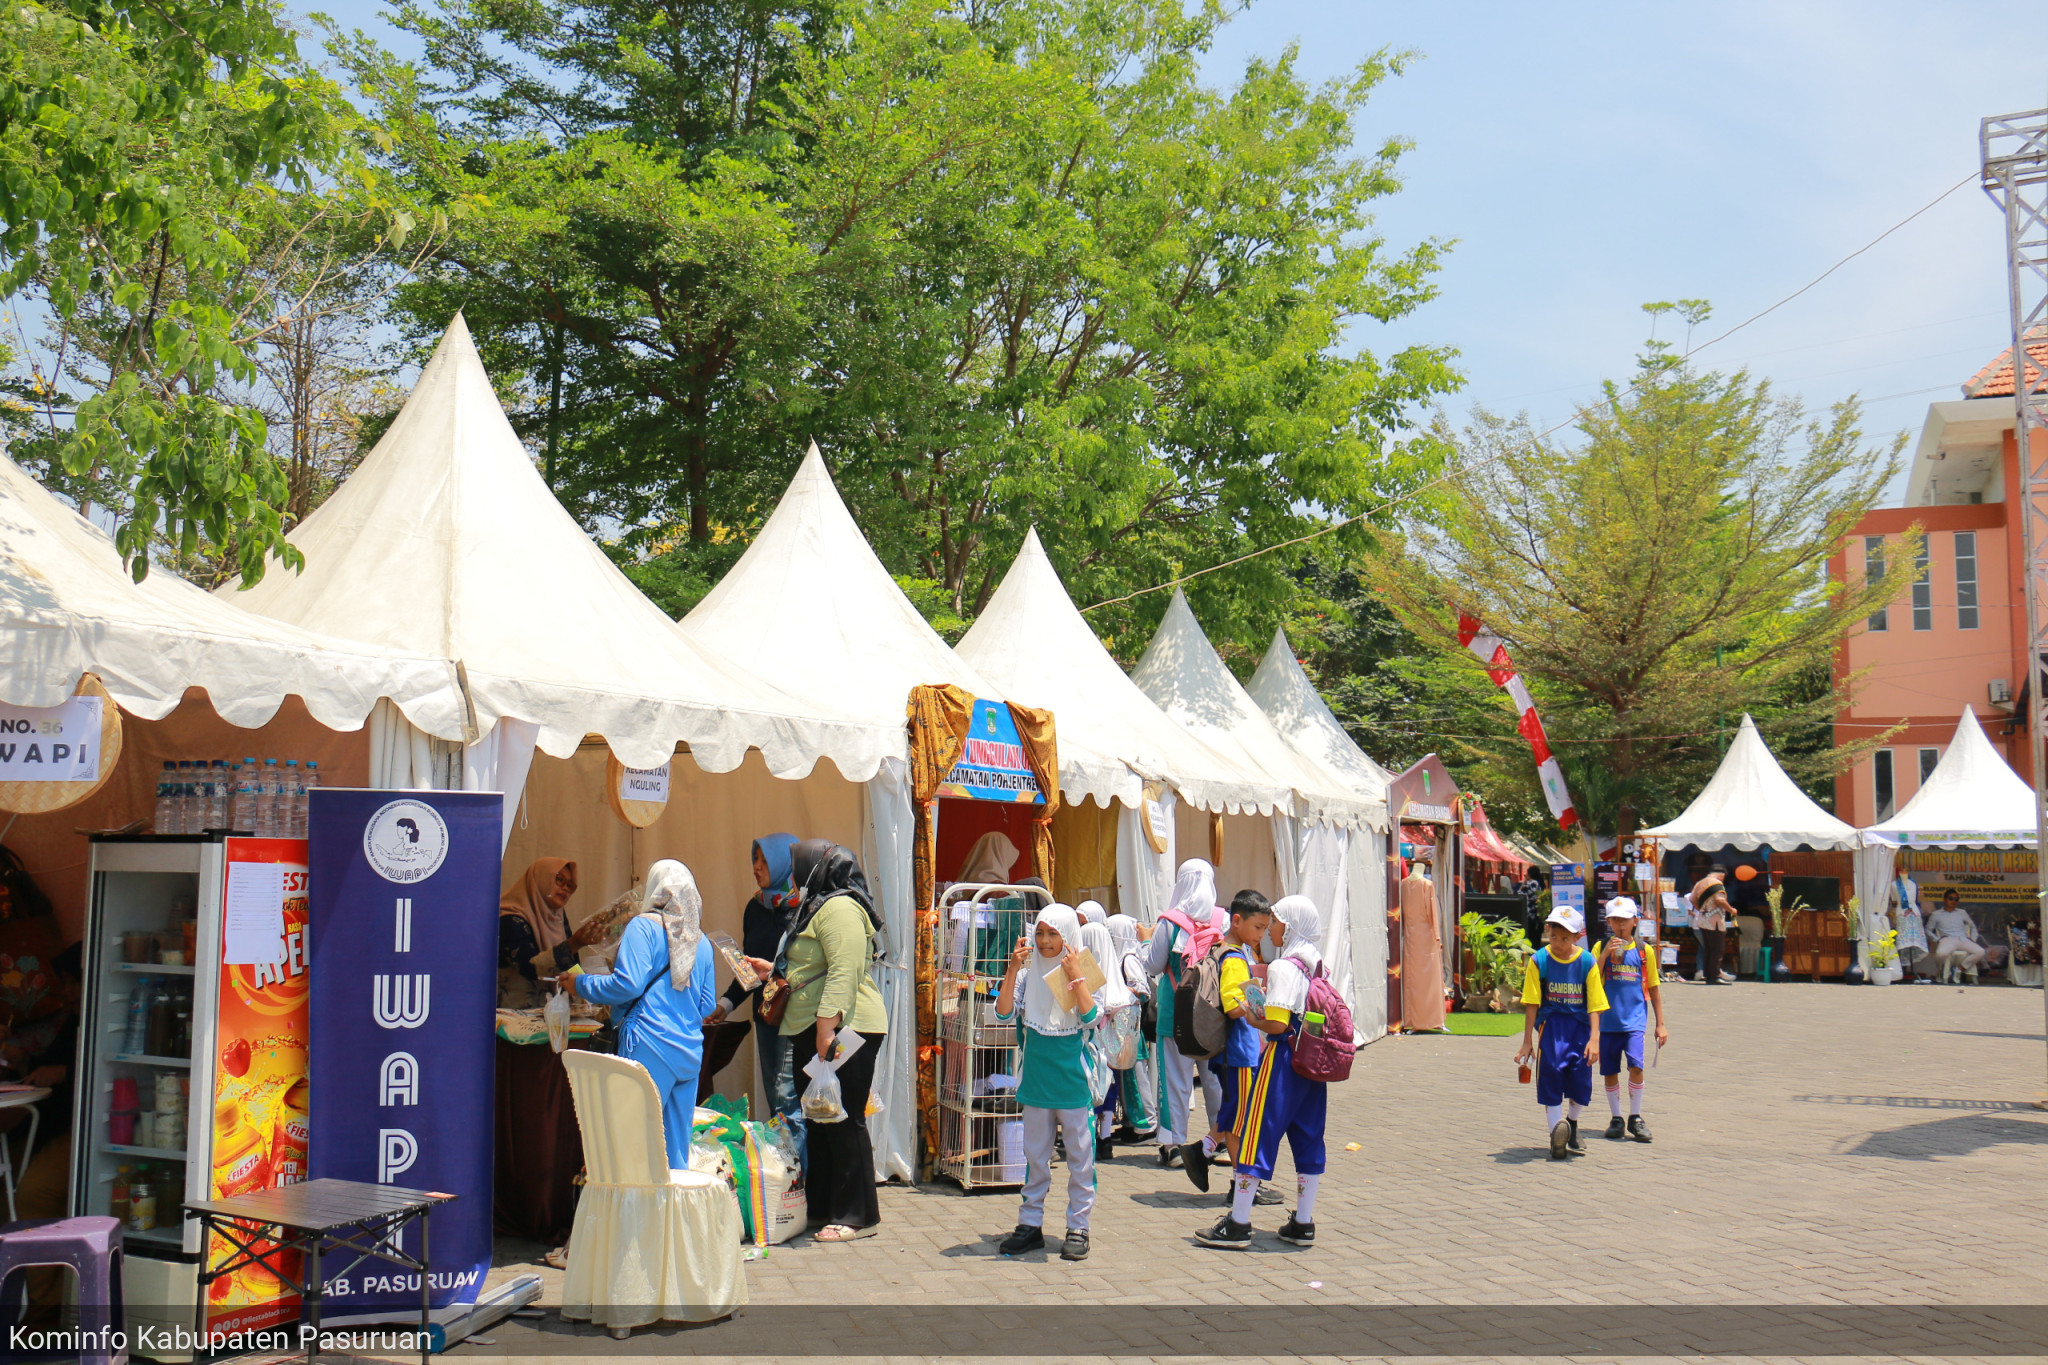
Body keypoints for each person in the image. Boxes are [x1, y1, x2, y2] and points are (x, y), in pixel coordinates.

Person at [563, 860, 717, 1167]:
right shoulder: (700, 941)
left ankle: (636, 1215)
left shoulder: (643, 927)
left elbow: (628, 984)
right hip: (689, 1052)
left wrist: (581, 984)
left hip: (647, 1045)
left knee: (635, 1143)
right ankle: (670, 1214)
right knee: (675, 1153)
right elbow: (707, 1005)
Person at [1197, 895, 1327, 1250]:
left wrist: (1255, 1013)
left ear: (1293, 925)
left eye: (1278, 921)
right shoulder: (1316, 964)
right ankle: (1303, 1221)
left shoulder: (1285, 966)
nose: (1273, 928)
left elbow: (1276, 1022)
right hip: (1311, 1061)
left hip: (1282, 1059)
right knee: (1309, 1137)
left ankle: (1238, 1223)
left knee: (1256, 1136)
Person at [779, 840, 889, 1242]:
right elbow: (815, 965)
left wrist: (827, 1030)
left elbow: (844, 971)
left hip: (847, 1026)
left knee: (844, 1121)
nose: (791, 876)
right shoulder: (818, 906)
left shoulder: (840, 907)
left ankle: (857, 1216)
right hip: (821, 1026)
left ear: (816, 869)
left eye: (797, 867)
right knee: (821, 1118)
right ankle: (824, 1207)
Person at [994, 905, 1099, 1261]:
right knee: (1035, 1157)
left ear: (1068, 935)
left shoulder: (1082, 968)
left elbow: (1090, 1018)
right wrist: (1012, 969)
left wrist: (1075, 976)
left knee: (1080, 1159)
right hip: (1036, 1082)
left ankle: (1078, 1227)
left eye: (1053, 934)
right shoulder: (1026, 976)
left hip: (1072, 1083)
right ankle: (1030, 1224)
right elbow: (1004, 1012)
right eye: (1040, 933)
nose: (1044, 941)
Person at [706, 833, 807, 1170]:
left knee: (787, 1096)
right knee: (777, 1096)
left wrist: (775, 970)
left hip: (796, 1015)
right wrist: (724, 1005)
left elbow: (810, 967)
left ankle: (801, 1180)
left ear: (783, 863)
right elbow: (750, 970)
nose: (756, 868)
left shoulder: (803, 909)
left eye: (764, 861)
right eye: (754, 860)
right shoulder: (755, 907)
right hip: (767, 1015)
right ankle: (788, 1178)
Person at [1178, 890, 1271, 1193]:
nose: (1261, 934)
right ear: (1237, 920)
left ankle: (1203, 1151)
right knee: (1239, 1120)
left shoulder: (1225, 948)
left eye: (1265, 929)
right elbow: (1232, 1007)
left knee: (1233, 1111)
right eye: (1257, 927)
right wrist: (1259, 1005)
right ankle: (1241, 1184)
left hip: (1230, 1051)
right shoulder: (1233, 957)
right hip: (1239, 1052)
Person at [1145, 860, 1222, 1168]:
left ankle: (1173, 1143)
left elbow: (1152, 965)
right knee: (1215, 1078)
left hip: (1174, 1010)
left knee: (1176, 1079)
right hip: (1214, 1013)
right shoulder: (1223, 919)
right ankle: (1222, 1139)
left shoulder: (1170, 921)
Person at [1515, 907, 1608, 1161]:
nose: (1557, 943)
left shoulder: (1587, 961)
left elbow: (1595, 1003)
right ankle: (1556, 1134)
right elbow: (1532, 1002)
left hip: (1581, 1028)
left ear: (1577, 937)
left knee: (1580, 1084)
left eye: (1565, 938)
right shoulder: (1539, 961)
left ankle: (1572, 1123)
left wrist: (1595, 1038)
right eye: (1554, 936)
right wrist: (1527, 1043)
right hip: (1552, 1027)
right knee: (1551, 1074)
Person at [1595, 898, 1665, 1143]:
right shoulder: (1601, 946)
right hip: (1607, 1021)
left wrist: (1660, 1023)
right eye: (1615, 920)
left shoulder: (1644, 951)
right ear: (1609, 922)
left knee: (1636, 1066)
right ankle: (1616, 1117)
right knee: (1610, 1070)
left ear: (1635, 921)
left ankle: (1635, 1116)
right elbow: (1592, 977)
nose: (1620, 925)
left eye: (1625, 919)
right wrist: (1605, 954)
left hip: (1635, 1020)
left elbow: (1654, 988)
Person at [499, 858, 603, 1007]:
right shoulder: (510, 918)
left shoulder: (557, 918)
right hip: (514, 1020)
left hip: (553, 1015)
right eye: (559, 880)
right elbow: (530, 968)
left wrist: (587, 991)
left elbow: (570, 965)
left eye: (570, 885)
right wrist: (575, 943)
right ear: (540, 879)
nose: (565, 888)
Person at [1077, 919, 1133, 1161]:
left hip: (1089, 1045)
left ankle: (1087, 1138)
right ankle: (1106, 1138)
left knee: (1089, 1087)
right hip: (1112, 1048)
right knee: (1109, 1088)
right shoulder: (1114, 971)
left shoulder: (1083, 973)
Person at [1103, 912, 1156, 1143]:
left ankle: (1146, 1125)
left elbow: (1142, 990)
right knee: (1125, 1080)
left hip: (1129, 1030)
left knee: (1135, 1079)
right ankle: (1130, 1123)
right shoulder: (1118, 958)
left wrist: (1116, 994)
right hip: (1120, 1029)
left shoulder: (1129, 959)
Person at [1925, 890, 1987, 982]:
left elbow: (1973, 927)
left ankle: (1959, 969)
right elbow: (1928, 929)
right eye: (1951, 899)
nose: (1953, 901)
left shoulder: (1962, 912)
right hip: (1947, 939)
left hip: (1963, 939)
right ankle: (1942, 971)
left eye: (1956, 899)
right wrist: (1937, 939)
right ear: (1945, 900)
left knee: (1980, 951)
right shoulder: (1936, 914)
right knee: (1941, 954)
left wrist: (1973, 939)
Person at [1689, 869, 1736, 985]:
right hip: (1714, 922)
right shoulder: (1716, 884)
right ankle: (1715, 975)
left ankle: (1708, 975)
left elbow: (1691, 899)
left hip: (1703, 919)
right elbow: (1720, 900)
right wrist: (1731, 910)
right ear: (1722, 875)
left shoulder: (1700, 883)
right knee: (1717, 950)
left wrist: (1701, 909)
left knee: (1708, 949)